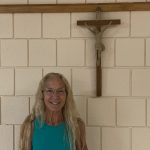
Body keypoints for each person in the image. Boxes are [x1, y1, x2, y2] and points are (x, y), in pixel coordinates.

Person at [19, 72, 88, 150]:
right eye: (49, 91)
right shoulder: (30, 125)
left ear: (67, 95)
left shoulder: (77, 125)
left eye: (60, 91)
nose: (55, 96)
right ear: (42, 94)